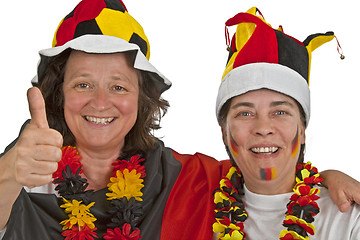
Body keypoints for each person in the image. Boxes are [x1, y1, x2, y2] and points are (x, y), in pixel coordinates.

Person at [0, 1, 359, 240]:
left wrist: (324, 177)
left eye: (118, 86)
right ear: (58, 92)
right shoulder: (24, 171)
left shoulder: (180, 177)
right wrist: (9, 170)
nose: (101, 101)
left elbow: (260, 167)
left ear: (142, 99)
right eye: (83, 84)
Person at [213, 7, 360, 239]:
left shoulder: (348, 219)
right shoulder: (198, 212)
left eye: (280, 112)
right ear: (224, 132)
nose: (263, 128)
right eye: (245, 114)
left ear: (302, 130)